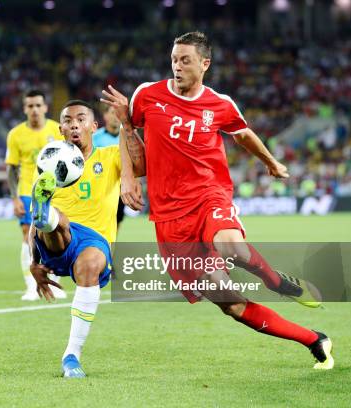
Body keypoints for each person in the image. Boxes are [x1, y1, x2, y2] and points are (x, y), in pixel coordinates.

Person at [101, 31, 333, 370]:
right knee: (231, 304)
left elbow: (243, 135)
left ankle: (278, 282)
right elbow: (132, 142)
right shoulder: (146, 95)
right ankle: (315, 339)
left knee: (232, 247)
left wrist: (269, 162)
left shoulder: (220, 104)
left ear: (204, 64)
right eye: (174, 60)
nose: (177, 67)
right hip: (169, 218)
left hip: (209, 195)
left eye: (185, 60)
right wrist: (127, 174)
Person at [29, 100, 138, 378]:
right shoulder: (49, 163)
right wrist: (33, 263)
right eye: (67, 120)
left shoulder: (112, 155)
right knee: (55, 221)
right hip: (57, 238)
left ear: (93, 126)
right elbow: (32, 222)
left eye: (80, 119)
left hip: (95, 240)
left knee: (88, 263)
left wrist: (127, 125)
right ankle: (48, 217)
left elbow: (143, 163)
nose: (74, 123)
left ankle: (71, 356)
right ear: (61, 129)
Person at [5, 90, 66, 300]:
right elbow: (11, 168)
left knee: (57, 234)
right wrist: (14, 198)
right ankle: (31, 286)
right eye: (30, 106)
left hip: (55, 191)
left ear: (45, 107)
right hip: (27, 192)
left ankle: (55, 282)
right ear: (24, 109)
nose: (34, 110)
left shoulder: (57, 130)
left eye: (38, 105)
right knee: (27, 235)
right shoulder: (15, 134)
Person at [92, 104, 127, 228]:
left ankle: (112, 248)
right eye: (112, 112)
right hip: (99, 189)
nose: (116, 116)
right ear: (105, 115)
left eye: (118, 113)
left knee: (116, 224)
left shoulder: (128, 138)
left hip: (120, 189)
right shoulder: (95, 138)